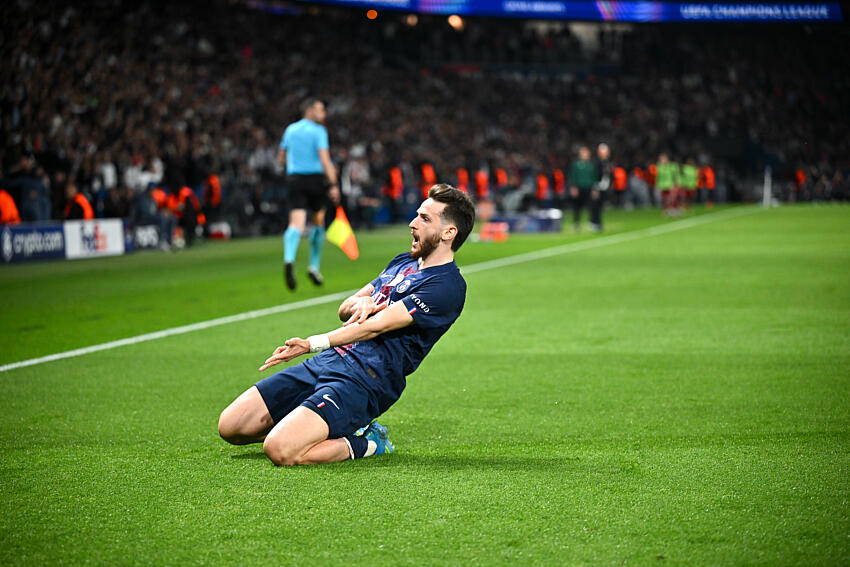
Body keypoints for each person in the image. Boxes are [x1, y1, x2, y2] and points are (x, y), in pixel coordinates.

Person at [218, 184, 475, 466]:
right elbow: (345, 308)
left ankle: (369, 442)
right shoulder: (403, 262)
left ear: (449, 233)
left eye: (425, 219)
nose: (413, 224)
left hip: (366, 379)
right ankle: (308, 426)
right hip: (330, 361)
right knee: (231, 426)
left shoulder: (447, 286)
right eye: (417, 215)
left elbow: (374, 327)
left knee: (280, 449)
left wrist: (310, 344)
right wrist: (362, 303)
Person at [277, 98, 340, 290]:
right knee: (318, 221)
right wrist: (333, 184)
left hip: (295, 179)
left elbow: (281, 158)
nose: (324, 114)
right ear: (309, 111)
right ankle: (314, 266)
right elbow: (325, 159)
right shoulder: (319, 131)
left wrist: (295, 163)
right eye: (321, 110)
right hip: (315, 180)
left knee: (296, 223)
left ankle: (289, 259)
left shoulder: (290, 130)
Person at [568, 146, 597, 232]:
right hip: (579, 188)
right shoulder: (576, 165)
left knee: (591, 206)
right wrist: (573, 187)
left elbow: (594, 177)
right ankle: (576, 223)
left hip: (589, 187)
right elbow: (573, 176)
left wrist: (595, 189)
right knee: (577, 206)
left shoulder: (591, 165)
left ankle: (592, 223)